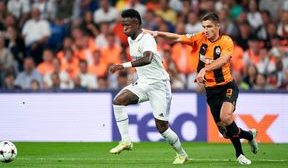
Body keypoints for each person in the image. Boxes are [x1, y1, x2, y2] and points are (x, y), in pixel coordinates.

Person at [143, 12, 258, 165]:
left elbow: (224, 59)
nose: (206, 30)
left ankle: (239, 154)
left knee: (227, 118)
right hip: (211, 91)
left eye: (209, 26)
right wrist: (158, 33)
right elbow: (177, 37)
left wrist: (205, 69)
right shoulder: (199, 38)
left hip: (226, 86)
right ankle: (249, 135)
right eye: (203, 27)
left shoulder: (226, 41)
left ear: (218, 26)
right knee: (225, 132)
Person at [109, 9, 188, 165]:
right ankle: (126, 141)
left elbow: (147, 58)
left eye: (127, 24)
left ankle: (182, 154)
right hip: (144, 82)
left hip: (159, 85)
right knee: (118, 101)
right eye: (122, 24)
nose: (124, 27)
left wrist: (122, 66)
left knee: (162, 128)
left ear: (137, 23)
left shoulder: (147, 39)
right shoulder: (132, 39)